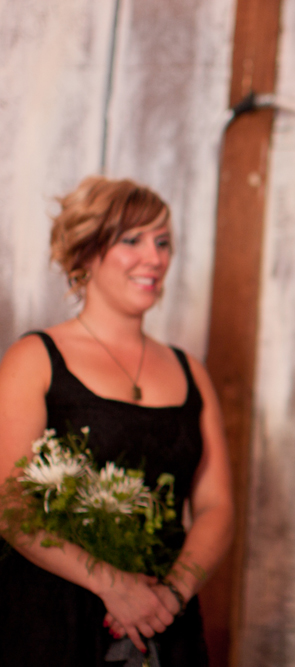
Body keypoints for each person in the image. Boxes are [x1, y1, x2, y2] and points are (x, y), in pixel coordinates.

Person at [0, 176, 234, 666]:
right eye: (132, 240)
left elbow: (216, 507)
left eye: (163, 241)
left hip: (164, 623)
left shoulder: (190, 370)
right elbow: (8, 503)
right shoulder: (35, 358)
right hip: (52, 620)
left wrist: (169, 595)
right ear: (86, 252)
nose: (154, 257)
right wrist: (111, 584)